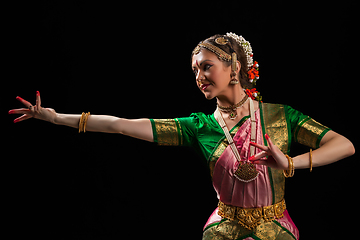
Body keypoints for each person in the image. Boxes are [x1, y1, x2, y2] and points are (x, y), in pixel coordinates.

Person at [9, 32, 355, 240]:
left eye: (206, 66)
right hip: (223, 230)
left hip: (275, 229)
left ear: (234, 67)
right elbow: (120, 124)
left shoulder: (280, 117)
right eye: (195, 70)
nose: (199, 76)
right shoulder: (197, 127)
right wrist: (54, 118)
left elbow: (344, 145)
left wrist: (292, 162)